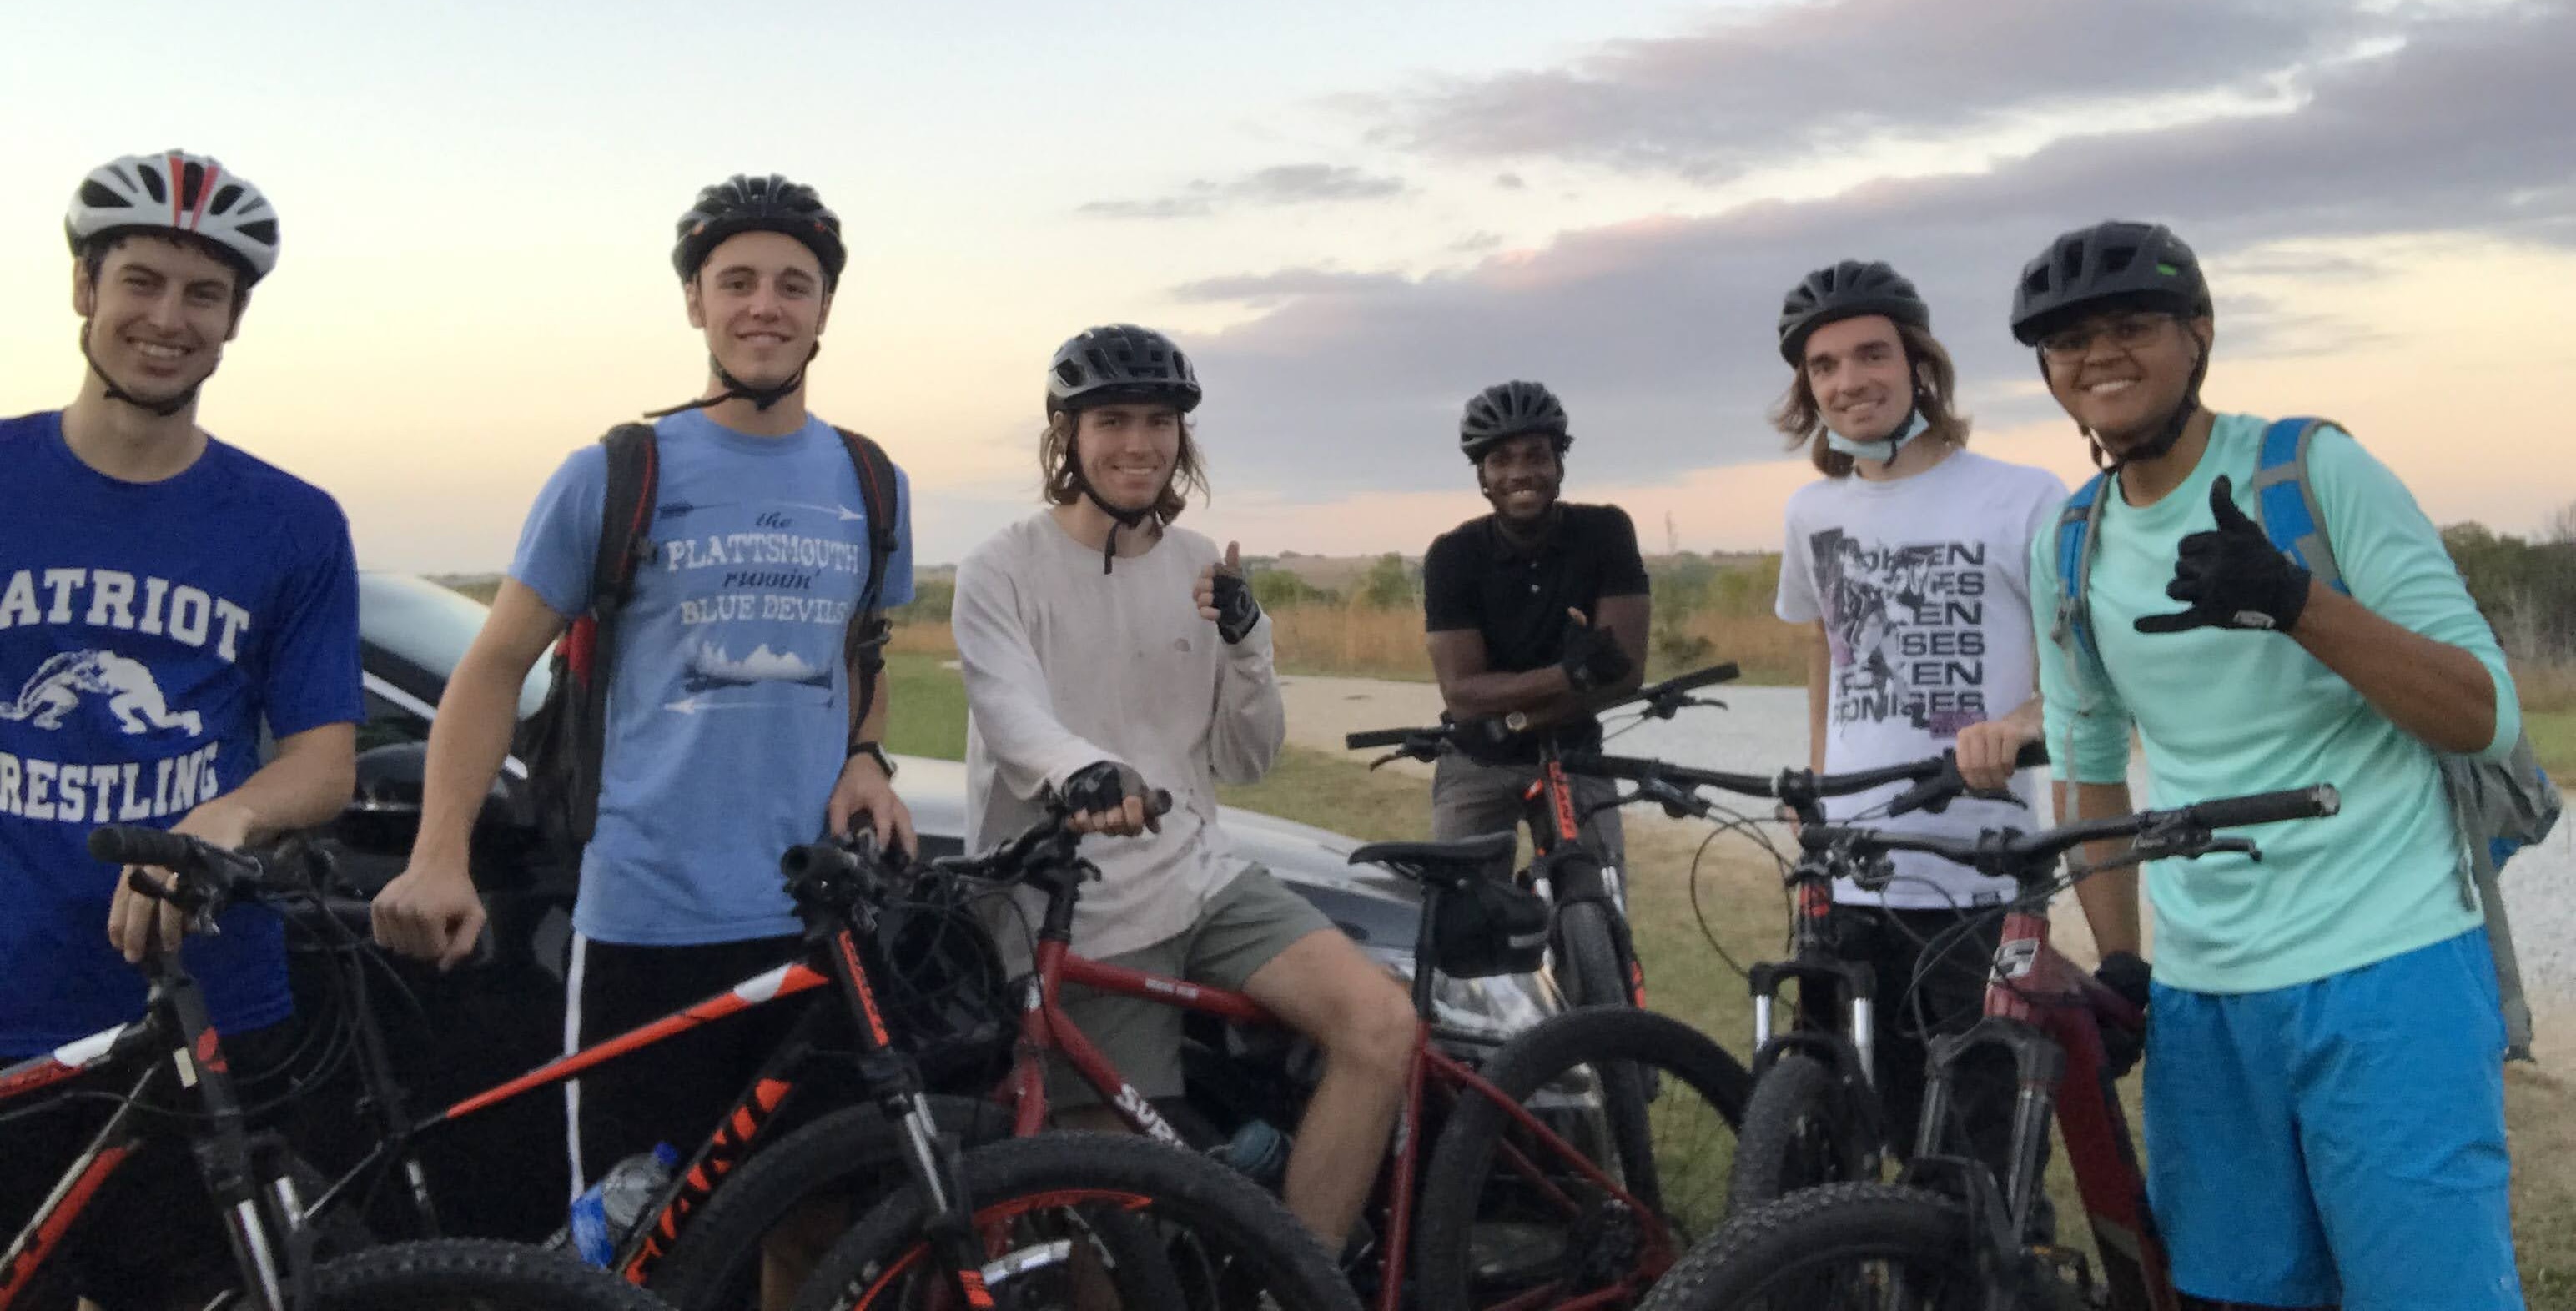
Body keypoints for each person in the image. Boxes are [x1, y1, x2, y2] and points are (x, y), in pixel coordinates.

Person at [369, 176, 916, 1230]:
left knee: (823, 1225)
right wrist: (437, 853)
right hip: (648, 921)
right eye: (739, 281)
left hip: (817, 925)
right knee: (635, 1239)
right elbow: (489, 669)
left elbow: (866, 650)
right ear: (696, 303)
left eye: (794, 285)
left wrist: (864, 757)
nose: (766, 305)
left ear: (825, 311)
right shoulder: (617, 472)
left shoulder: (869, 479)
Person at [2018, 219, 2524, 1309]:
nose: (2098, 355)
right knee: (2228, 1295)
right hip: (2207, 996)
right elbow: (2091, 762)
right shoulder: (2070, 542)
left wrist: (2298, 605)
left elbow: (2482, 711)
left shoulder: (2310, 470)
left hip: (2389, 968)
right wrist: (2122, 964)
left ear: (2197, 334)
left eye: (2130, 326)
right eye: (2067, 341)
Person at [949, 323, 1415, 1251]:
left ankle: (1297, 1283)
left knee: (1380, 1029)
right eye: (1112, 420)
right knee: (1117, 1227)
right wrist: (1082, 770)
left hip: (1199, 875)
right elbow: (1011, 713)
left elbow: (1247, 758)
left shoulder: (1198, 561)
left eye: (1158, 422)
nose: (1137, 444)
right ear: (1066, 438)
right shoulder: (1001, 568)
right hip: (1072, 902)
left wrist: (1249, 640)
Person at [1, 149, 360, 1311]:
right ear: (82, 290)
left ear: (236, 319)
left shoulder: (292, 523)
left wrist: (226, 814)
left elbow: (322, 760)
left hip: (199, 1006)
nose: (167, 319)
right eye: (140, 281)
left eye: (203, 295)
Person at [1767, 259, 2069, 1177]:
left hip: (1976, 867)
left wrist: (2016, 727)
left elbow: (2082, 671)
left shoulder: (2022, 498)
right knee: (1855, 1122)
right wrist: (1816, 782)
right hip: (1852, 866)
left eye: (1871, 355)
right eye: (1824, 367)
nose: (1849, 382)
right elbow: (1826, 648)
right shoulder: (1811, 510)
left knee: (1977, 1146)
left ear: (1919, 367)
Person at [1419, 380, 1648, 870]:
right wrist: (1571, 675)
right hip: (1477, 760)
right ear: (1481, 475)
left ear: (1559, 464)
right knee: (1466, 913)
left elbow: (1626, 672)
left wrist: (1513, 712)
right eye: (1501, 460)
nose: (1521, 473)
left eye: (1536, 456)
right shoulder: (1453, 556)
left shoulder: (1605, 532)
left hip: (1575, 755)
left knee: (1601, 902)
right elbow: (1462, 694)